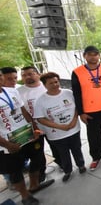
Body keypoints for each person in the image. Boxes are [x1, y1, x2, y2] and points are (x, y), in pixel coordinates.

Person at [0, 70, 54, 205]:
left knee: (38, 158)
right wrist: (7, 145)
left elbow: (23, 111)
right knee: (15, 170)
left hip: (26, 133)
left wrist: (34, 128)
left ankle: (34, 185)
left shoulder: (11, 91)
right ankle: (25, 196)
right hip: (7, 142)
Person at [33, 72, 86, 183]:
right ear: (44, 85)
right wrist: (59, 126)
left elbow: (77, 107)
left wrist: (73, 121)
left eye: (56, 81)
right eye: (51, 83)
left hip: (74, 129)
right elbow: (40, 118)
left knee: (77, 149)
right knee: (63, 154)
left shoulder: (68, 93)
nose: (55, 84)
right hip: (56, 134)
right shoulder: (41, 100)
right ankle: (67, 171)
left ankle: (81, 165)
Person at [17, 66, 59, 182]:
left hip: (51, 125)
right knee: (37, 153)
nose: (27, 77)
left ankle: (62, 163)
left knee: (56, 147)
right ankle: (41, 174)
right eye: (24, 75)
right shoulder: (19, 92)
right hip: (34, 129)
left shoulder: (46, 86)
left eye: (30, 74)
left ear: (38, 74)